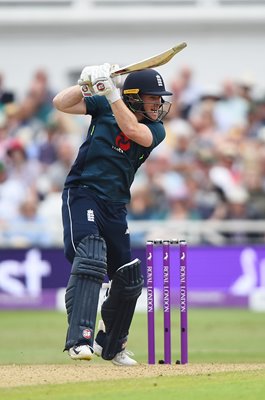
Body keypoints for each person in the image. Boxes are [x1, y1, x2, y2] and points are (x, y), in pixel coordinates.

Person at [53, 63, 172, 366]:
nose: (158, 106)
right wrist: (87, 82)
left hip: (116, 206)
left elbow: (133, 131)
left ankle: (113, 345)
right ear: (134, 97)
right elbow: (60, 103)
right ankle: (80, 340)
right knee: (92, 253)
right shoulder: (104, 106)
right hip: (83, 193)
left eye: (160, 100)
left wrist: (110, 92)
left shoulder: (156, 129)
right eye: (152, 99)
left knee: (130, 276)